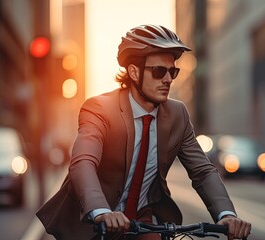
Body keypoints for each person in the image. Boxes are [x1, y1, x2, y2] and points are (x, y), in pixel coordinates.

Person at [36, 24, 251, 240]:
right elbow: (83, 162)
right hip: (93, 222)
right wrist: (101, 211)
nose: (167, 79)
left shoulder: (178, 114)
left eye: (172, 71)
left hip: (142, 221)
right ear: (134, 72)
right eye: (159, 72)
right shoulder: (100, 108)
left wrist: (227, 215)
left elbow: (202, 171)